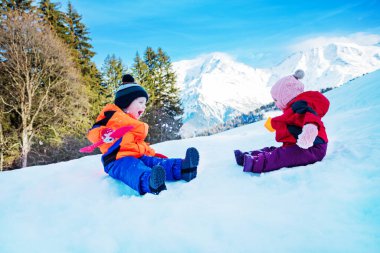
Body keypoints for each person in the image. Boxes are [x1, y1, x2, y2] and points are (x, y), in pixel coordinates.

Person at [87, 74, 199, 195]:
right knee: (133, 168)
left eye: (145, 104)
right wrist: (103, 133)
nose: (144, 107)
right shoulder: (110, 117)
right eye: (140, 102)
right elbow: (93, 133)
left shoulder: (133, 124)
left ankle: (184, 168)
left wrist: (153, 154)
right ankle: (151, 181)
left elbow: (138, 144)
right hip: (116, 160)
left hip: (138, 155)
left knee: (156, 163)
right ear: (126, 102)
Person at [234, 70, 329, 173]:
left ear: (285, 96)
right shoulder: (293, 108)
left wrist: (309, 133)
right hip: (299, 145)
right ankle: (247, 156)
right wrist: (272, 124)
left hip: (313, 148)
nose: (276, 104)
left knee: (282, 156)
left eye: (276, 100)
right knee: (276, 150)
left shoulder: (302, 105)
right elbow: (286, 120)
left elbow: (312, 118)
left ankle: (255, 163)